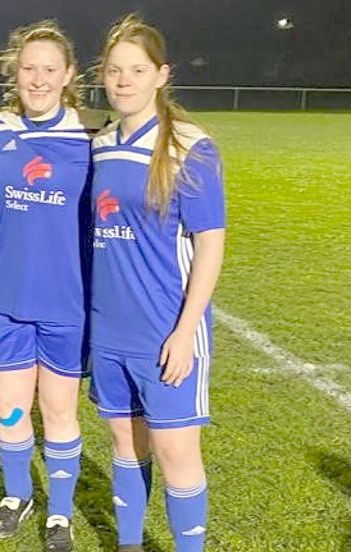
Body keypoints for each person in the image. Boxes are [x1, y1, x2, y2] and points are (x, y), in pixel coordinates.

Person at [89, 14, 226, 552]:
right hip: (110, 331)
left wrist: (185, 332)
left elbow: (210, 244)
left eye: (137, 70)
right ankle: (129, 544)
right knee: (125, 443)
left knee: (175, 453)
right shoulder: (100, 143)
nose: (124, 81)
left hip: (165, 331)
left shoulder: (189, 147)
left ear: (161, 75)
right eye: (114, 70)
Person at [0, 20, 92, 552]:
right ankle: (18, 495)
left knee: (59, 412)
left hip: (66, 304)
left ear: (68, 75)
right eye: (29, 68)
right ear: (14, 72)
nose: (39, 79)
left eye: (50, 69)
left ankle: (60, 511)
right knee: (10, 409)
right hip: (8, 301)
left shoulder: (91, 138)